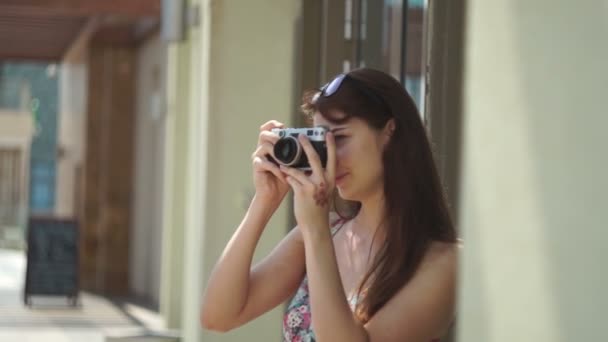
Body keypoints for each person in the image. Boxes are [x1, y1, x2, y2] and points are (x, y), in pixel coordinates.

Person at [200, 68, 459, 341]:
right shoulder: (328, 232)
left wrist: (315, 231)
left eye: (341, 138)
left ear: (389, 132)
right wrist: (264, 201)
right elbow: (218, 316)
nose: (330, 156)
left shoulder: (444, 262)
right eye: (323, 141)